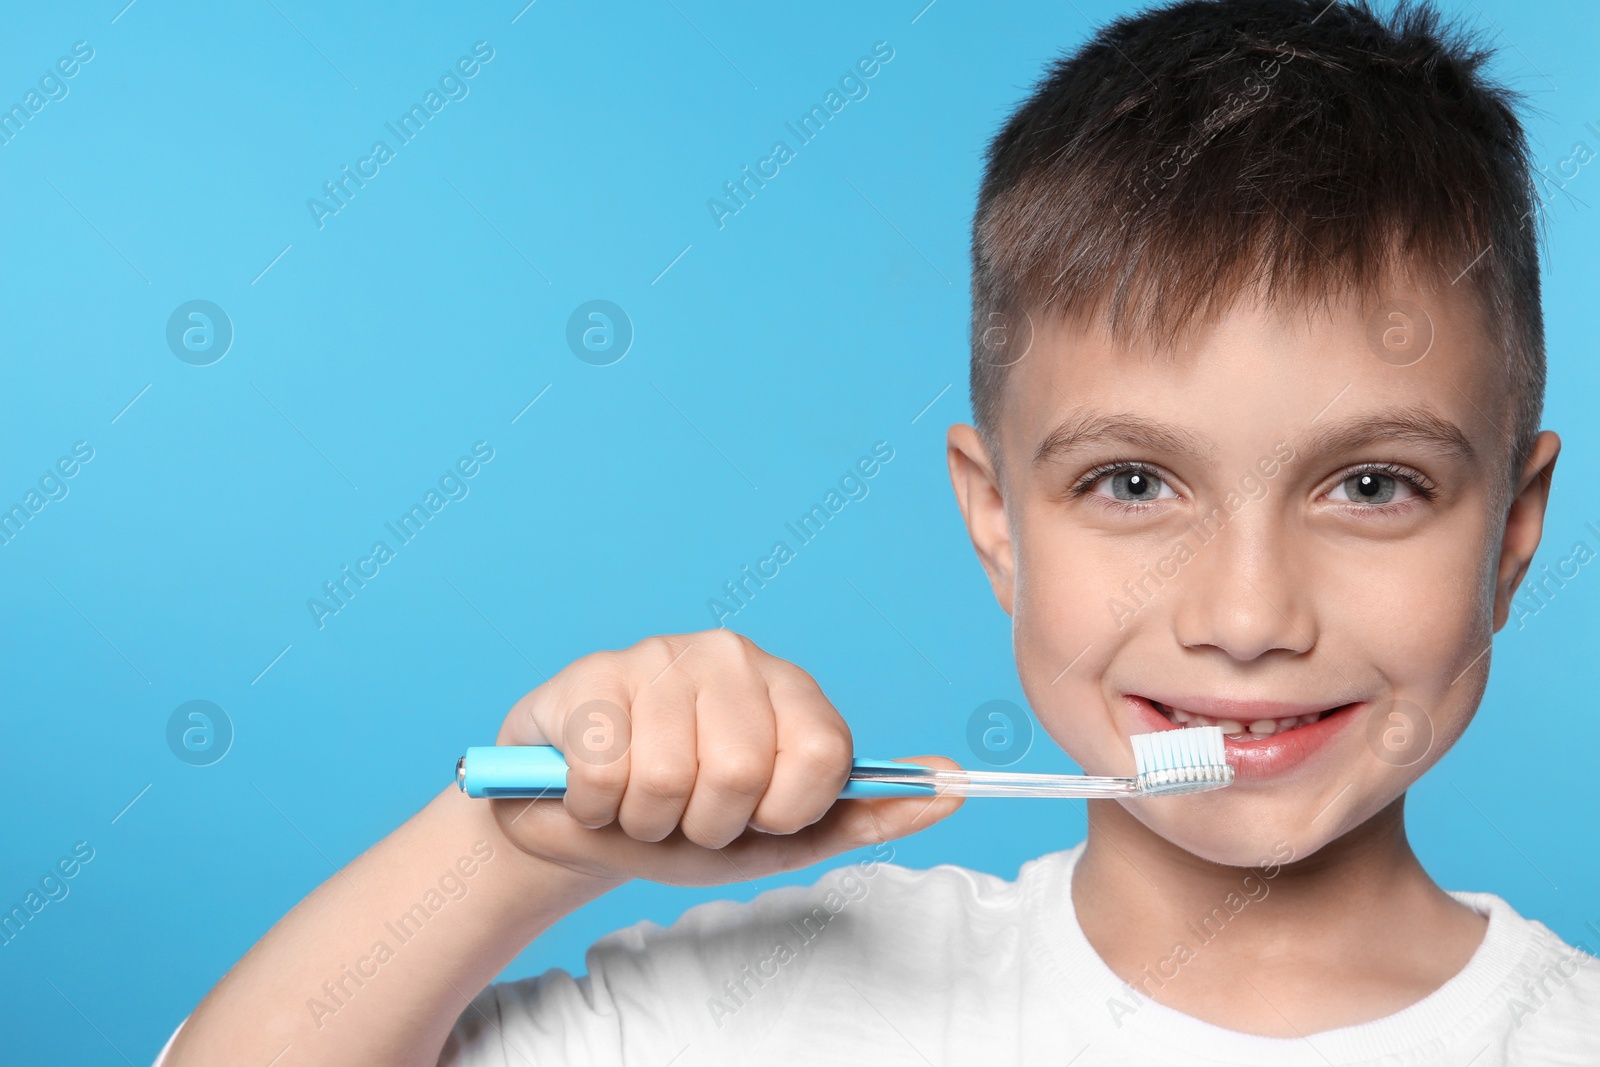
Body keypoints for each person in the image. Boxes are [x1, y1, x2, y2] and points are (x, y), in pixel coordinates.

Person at [158, 1, 1600, 1063]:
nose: (1245, 612)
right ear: (995, 523)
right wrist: (513, 860)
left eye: (1371, 487)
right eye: (1132, 485)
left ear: (1515, 533)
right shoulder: (777, 1008)